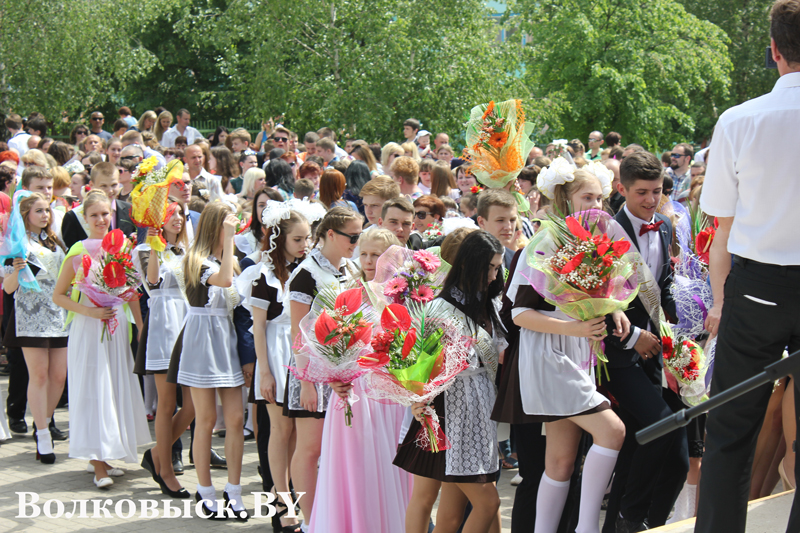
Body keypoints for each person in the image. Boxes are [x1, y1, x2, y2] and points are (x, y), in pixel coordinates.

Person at [696, 2, 800, 531]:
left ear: (775, 51)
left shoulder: (738, 120)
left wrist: (719, 302)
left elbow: (723, 230)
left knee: (731, 431)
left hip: (756, 286)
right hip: (759, 281)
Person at [506, 166, 628, 533]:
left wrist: (615, 309)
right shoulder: (542, 244)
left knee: (560, 461)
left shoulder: (593, 245)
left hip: (577, 353)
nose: (597, 205)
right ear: (565, 198)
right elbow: (519, 313)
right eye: (587, 197)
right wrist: (575, 327)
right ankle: (587, 528)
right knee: (613, 432)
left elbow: (596, 296)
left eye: (600, 198)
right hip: (549, 356)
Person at [395, 230, 505, 533]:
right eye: (490, 268)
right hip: (451, 411)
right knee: (485, 502)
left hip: (480, 410)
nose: (495, 276)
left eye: (498, 268)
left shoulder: (488, 303)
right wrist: (418, 398)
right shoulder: (440, 309)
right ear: (470, 265)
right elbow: (419, 365)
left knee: (453, 511)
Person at [600, 151, 687, 532]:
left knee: (673, 456)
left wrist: (679, 327)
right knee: (659, 427)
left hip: (659, 353)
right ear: (622, 189)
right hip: (617, 352)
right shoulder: (604, 232)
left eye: (658, 191)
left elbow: (664, 286)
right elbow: (589, 298)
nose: (652, 200)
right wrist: (633, 336)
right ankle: (630, 519)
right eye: (642, 193)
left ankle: (643, 521)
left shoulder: (665, 227)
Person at [310, 228, 408, 533]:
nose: (368, 260)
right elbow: (327, 342)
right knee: (353, 469)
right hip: (352, 394)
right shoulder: (346, 295)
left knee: (390, 468)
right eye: (363, 252)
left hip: (390, 396)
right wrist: (333, 376)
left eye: (376, 254)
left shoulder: (402, 297)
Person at [52, 189, 150, 488]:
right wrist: (89, 311)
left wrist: (141, 325)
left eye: (105, 214)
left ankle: (108, 453)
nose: (101, 220)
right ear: (84, 218)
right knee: (94, 388)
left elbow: (131, 290)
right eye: (94, 215)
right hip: (88, 325)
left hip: (117, 326)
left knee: (114, 387)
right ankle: (96, 462)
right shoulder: (77, 251)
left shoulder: (121, 246)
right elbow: (59, 295)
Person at [167, 202, 247, 519]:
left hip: (225, 339)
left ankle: (235, 490)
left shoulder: (230, 259)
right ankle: (205, 490)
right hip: (202, 339)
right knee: (206, 420)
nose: (235, 226)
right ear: (215, 225)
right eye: (228, 222)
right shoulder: (196, 259)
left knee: (236, 421)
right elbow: (225, 281)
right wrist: (229, 240)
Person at [283, 207, 361, 531]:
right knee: (310, 449)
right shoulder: (305, 273)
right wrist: (306, 383)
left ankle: (331, 518)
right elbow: (297, 331)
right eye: (352, 237)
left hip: (342, 371)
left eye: (359, 236)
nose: (356, 243)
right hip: (311, 372)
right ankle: (310, 520)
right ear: (331, 234)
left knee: (337, 449)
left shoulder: (350, 267)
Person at [238, 203, 311, 532]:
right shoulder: (262, 276)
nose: (304, 245)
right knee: (280, 432)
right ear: (280, 239)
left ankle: (292, 495)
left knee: (297, 432)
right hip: (276, 356)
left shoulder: (305, 270)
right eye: (298, 239)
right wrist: (263, 372)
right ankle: (282, 502)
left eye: (307, 238)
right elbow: (258, 328)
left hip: (300, 357)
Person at [132, 200, 193, 498]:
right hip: (163, 327)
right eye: (171, 213)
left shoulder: (187, 249)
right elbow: (153, 282)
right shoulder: (143, 251)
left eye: (181, 213)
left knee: (194, 407)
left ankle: (157, 452)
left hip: (190, 325)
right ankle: (165, 470)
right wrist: (155, 243)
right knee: (166, 404)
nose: (179, 218)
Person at [2, 192, 68, 464]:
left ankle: (46, 419)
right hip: (30, 314)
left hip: (59, 313)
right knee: (39, 375)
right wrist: (16, 269)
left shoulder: (54, 241)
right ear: (25, 215)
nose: (45, 215)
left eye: (47, 210)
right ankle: (42, 433)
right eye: (38, 210)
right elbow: (7, 288)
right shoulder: (16, 245)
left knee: (59, 377)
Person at [61, 163, 136, 250]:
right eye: (103, 186)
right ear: (91, 185)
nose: (110, 190)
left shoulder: (129, 210)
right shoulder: (73, 217)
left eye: (114, 185)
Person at [476, 189, 518, 269]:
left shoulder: (516, 260)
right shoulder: (468, 259)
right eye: (500, 220)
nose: (508, 227)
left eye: (512, 220)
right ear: (481, 222)